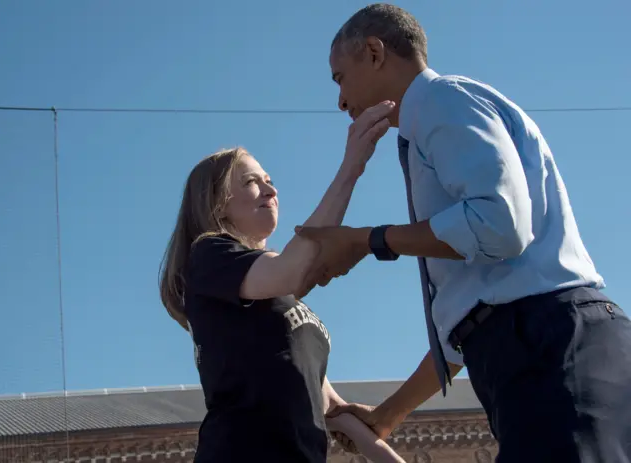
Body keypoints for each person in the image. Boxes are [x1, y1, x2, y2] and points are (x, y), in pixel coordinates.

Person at [294, 3, 631, 462]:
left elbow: (499, 225)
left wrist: (364, 241)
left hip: (552, 344)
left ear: (374, 52)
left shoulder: (441, 101)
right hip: (537, 348)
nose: (340, 100)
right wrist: (391, 414)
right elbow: (473, 313)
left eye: (339, 78)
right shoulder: (426, 128)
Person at [158, 134, 407, 461]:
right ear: (216, 202)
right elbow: (293, 268)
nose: (271, 190)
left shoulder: (279, 297)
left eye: (270, 181)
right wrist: (352, 165)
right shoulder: (209, 256)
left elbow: (330, 407)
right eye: (251, 182)